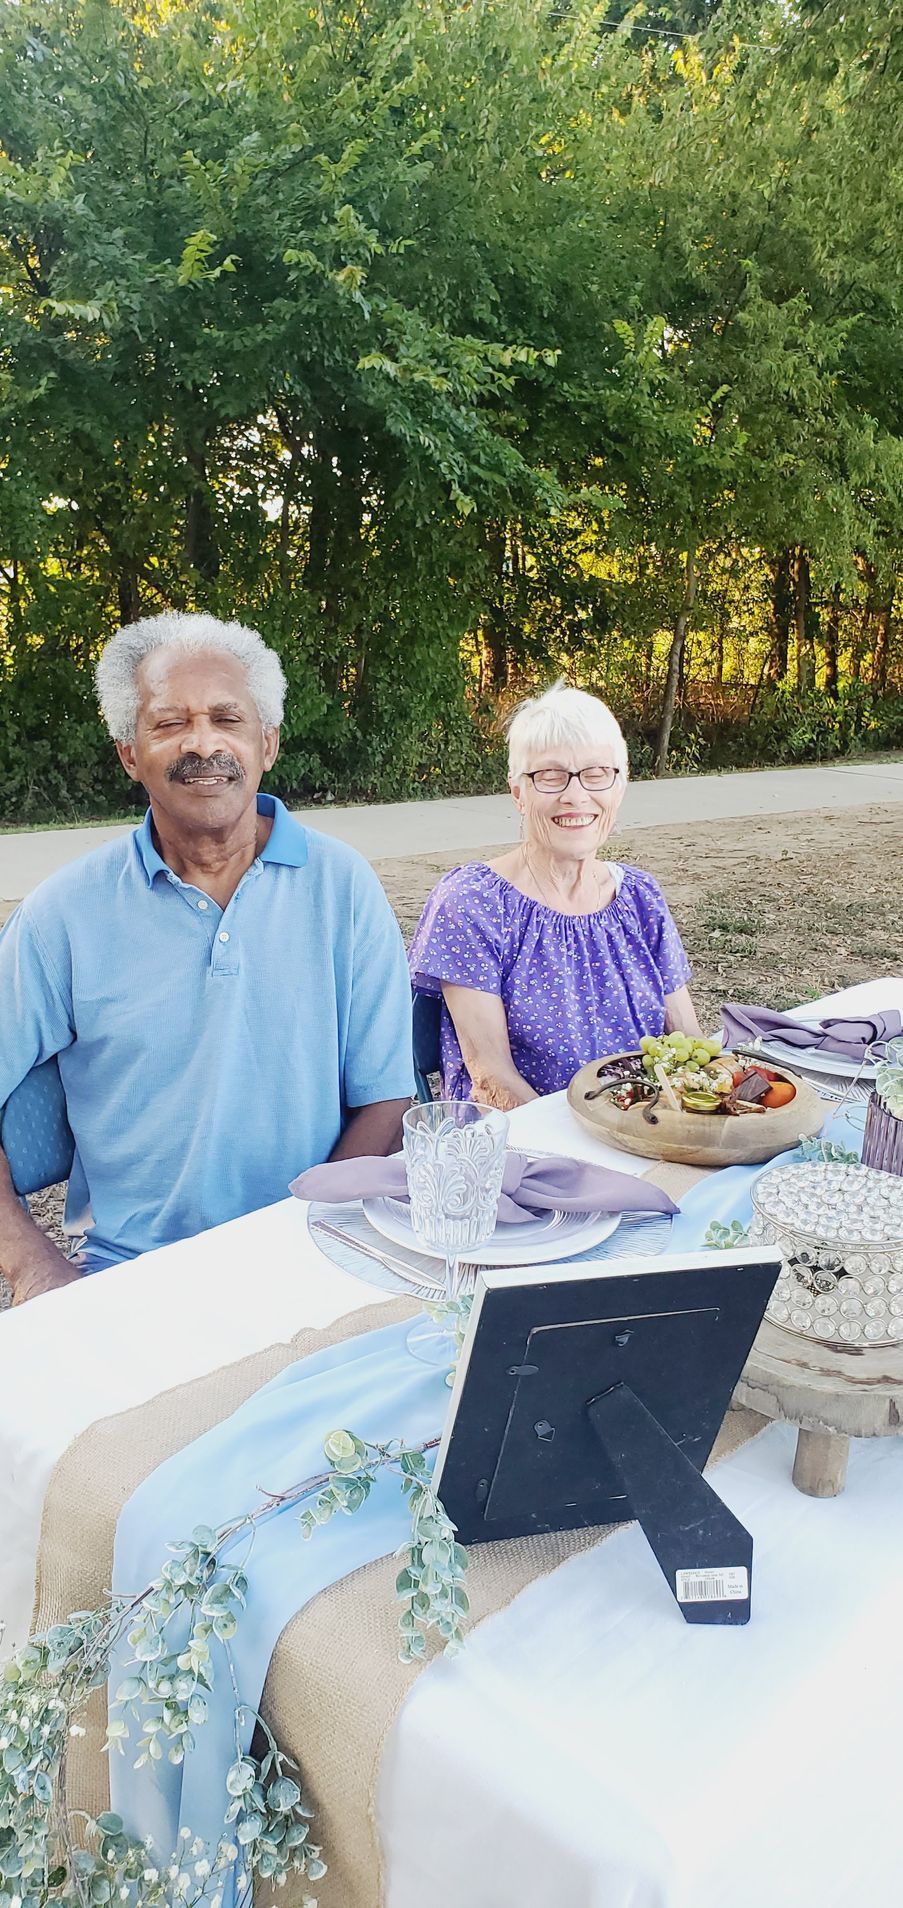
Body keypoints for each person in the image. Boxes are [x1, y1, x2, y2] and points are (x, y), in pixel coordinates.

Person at [0, 612, 414, 1303]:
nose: (203, 743)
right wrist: (31, 1263)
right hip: (135, 1276)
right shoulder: (63, 914)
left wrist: (304, 1244)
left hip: (318, 1251)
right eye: (168, 723)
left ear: (268, 743)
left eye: (228, 718)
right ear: (129, 753)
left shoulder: (342, 886)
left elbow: (385, 1098)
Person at [409, 683, 701, 1108]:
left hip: (647, 1133)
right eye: (550, 776)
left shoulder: (640, 899)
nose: (576, 795)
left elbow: (686, 1041)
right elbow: (493, 1079)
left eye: (597, 773)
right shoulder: (473, 903)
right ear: (518, 793)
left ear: (620, 786)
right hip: (529, 1151)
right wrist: (590, 1153)